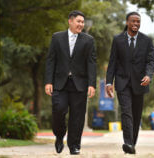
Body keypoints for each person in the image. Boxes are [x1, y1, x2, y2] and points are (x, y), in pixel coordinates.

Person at [44, 10, 96, 155]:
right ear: (70, 21)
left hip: (79, 84)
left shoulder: (88, 40)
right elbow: (51, 60)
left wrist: (92, 84)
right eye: (78, 21)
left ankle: (74, 145)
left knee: (77, 117)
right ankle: (60, 136)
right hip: (60, 83)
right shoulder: (57, 37)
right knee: (58, 109)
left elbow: (91, 63)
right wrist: (48, 81)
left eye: (82, 22)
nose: (81, 24)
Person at [106, 11, 154, 154]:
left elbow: (151, 61)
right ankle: (127, 142)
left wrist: (148, 75)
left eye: (138, 21)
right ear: (127, 22)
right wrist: (109, 82)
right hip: (122, 82)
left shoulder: (147, 41)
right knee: (126, 112)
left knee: (136, 114)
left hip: (140, 83)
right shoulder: (117, 40)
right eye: (133, 21)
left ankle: (132, 143)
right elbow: (112, 62)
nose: (136, 24)